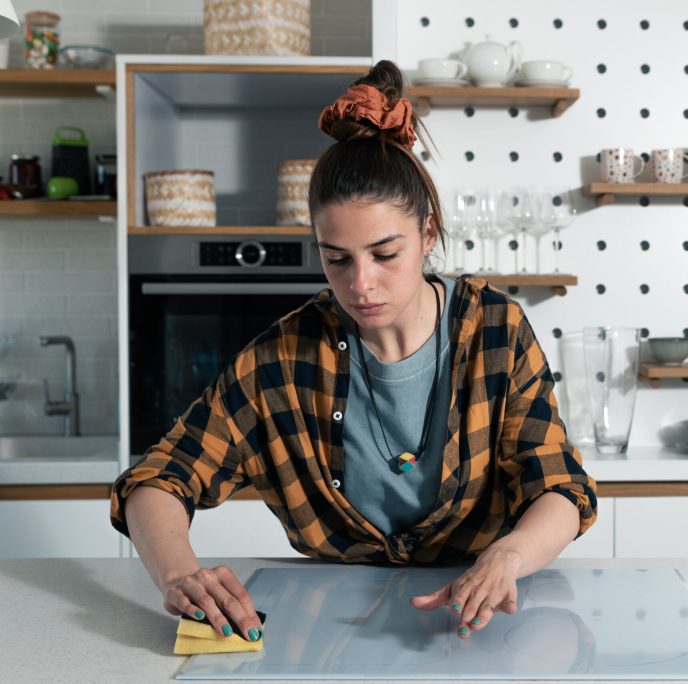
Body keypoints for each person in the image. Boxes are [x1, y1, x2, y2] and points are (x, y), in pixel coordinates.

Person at [110, 60, 598, 645]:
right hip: (328, 636)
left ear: (428, 233)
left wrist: (510, 555)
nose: (360, 284)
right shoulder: (285, 359)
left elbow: (560, 486)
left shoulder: (495, 329)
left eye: (385, 254)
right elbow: (158, 478)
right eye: (336, 258)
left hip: (486, 624)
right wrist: (180, 573)